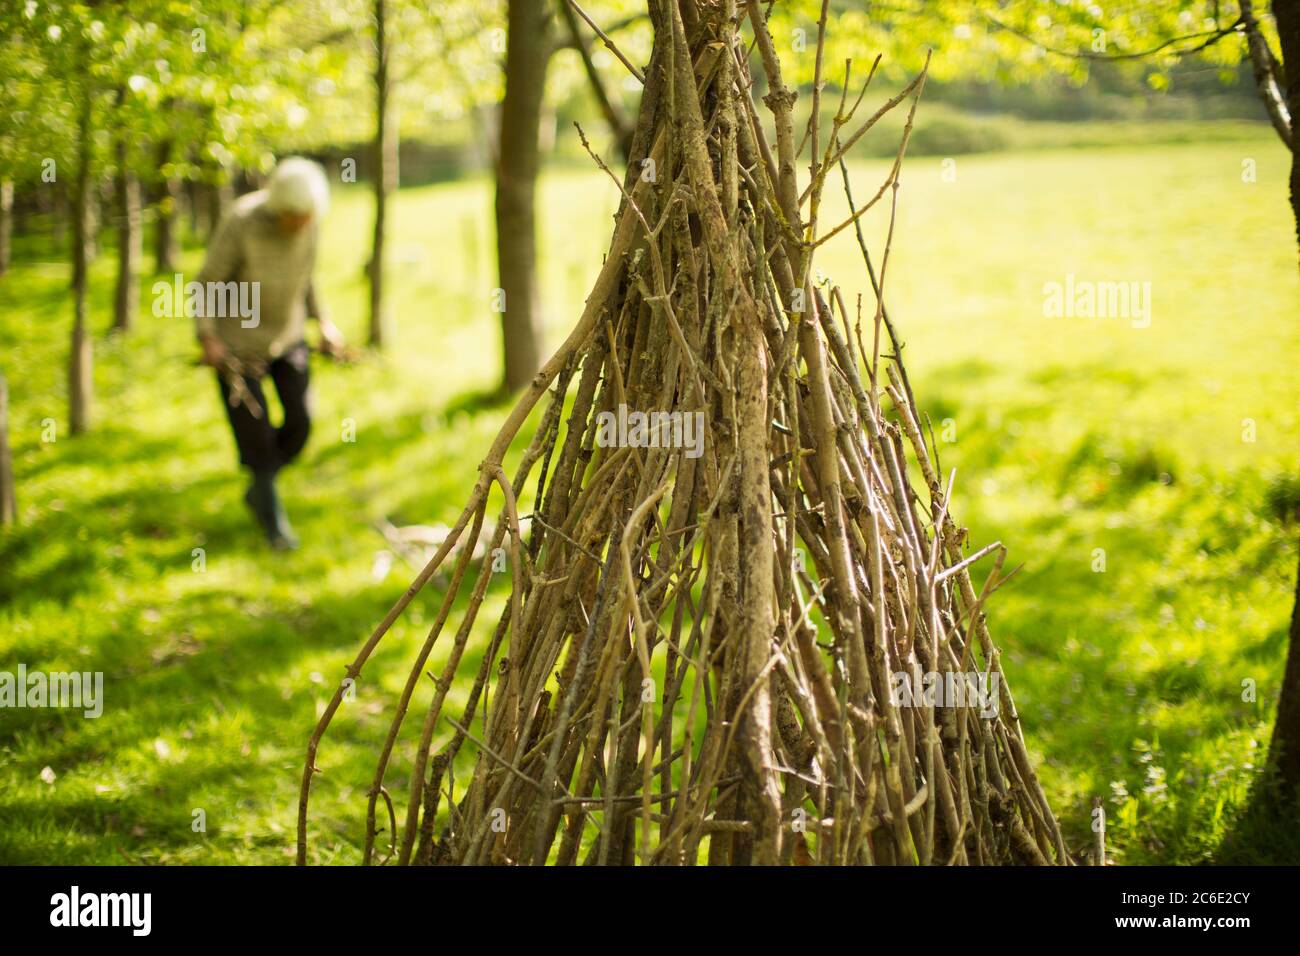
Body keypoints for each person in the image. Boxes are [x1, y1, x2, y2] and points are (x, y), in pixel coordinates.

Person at [195, 157, 344, 550]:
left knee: (301, 424)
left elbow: (308, 278)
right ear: (278, 207)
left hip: (288, 338)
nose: (300, 224)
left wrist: (323, 323)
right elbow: (208, 282)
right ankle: (274, 521)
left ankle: (260, 489)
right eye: (293, 216)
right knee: (256, 434)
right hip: (237, 347)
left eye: (307, 217)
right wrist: (207, 337)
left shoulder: (310, 225)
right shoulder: (242, 221)